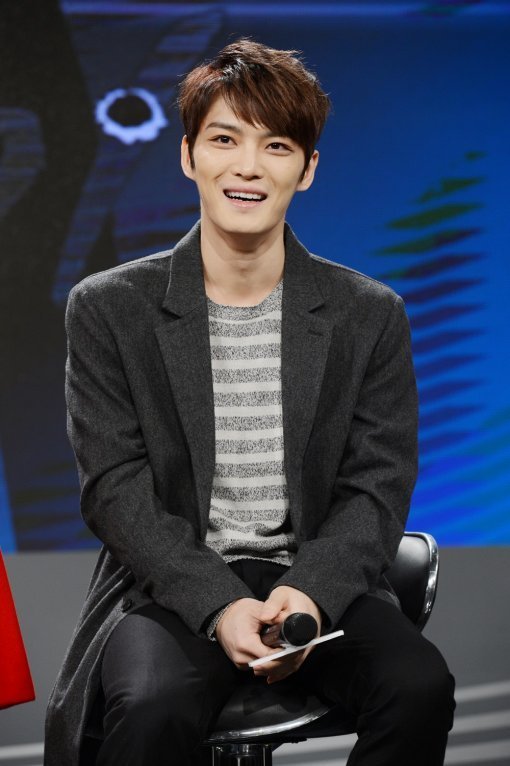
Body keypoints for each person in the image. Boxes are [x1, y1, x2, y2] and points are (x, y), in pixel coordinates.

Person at [45, 38, 455, 766]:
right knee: (151, 705)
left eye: (276, 146)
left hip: (313, 580)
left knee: (419, 686)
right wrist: (218, 602)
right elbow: (114, 488)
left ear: (308, 168)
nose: (247, 166)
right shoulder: (109, 308)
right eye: (224, 139)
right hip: (168, 586)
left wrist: (311, 593)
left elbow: (378, 483)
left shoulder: (369, 313)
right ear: (188, 155)